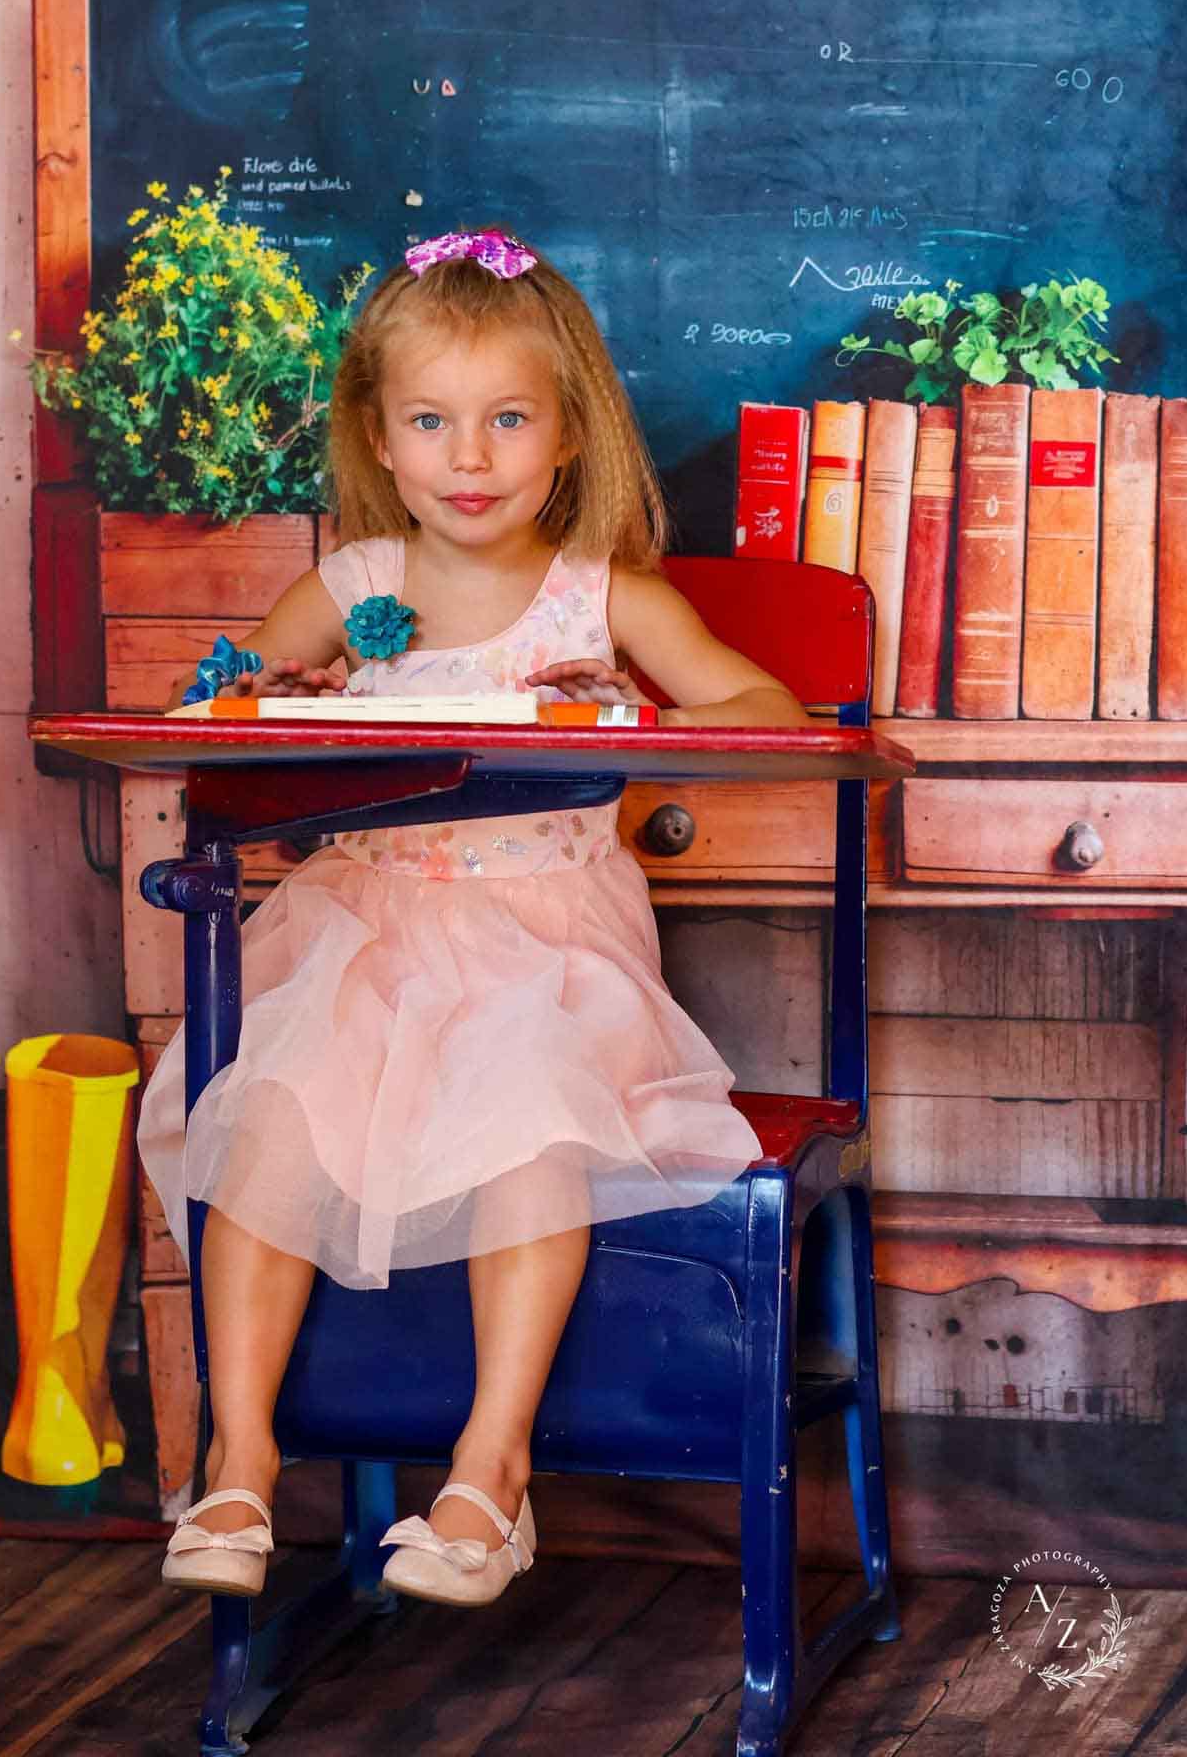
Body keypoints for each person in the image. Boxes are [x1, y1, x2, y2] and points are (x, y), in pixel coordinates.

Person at [138, 226, 809, 1606]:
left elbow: (766, 710)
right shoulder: (353, 588)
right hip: (365, 935)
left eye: (507, 420)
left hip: (546, 948)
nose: (470, 456)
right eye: (432, 423)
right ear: (378, 441)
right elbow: (220, 711)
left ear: (566, 437)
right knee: (268, 1111)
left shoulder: (601, 599)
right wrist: (264, 708)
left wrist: (622, 718)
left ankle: (486, 1476)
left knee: (524, 1117)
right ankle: (240, 1460)